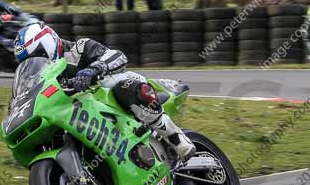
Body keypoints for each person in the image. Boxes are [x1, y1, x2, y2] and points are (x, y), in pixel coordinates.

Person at [13, 22, 195, 159]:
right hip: (79, 112)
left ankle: (176, 138)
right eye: (27, 62)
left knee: (121, 85)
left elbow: (117, 56)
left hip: (111, 93)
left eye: (36, 56)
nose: (34, 63)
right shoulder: (37, 76)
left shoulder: (79, 48)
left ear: (47, 44)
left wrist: (94, 69)